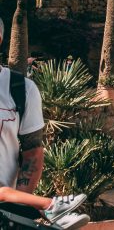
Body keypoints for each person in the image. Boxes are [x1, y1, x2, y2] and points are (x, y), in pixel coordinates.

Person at [0, 20, 90, 229]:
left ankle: (54, 210)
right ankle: (52, 207)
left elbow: (32, 151)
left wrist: (17, 208)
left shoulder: (20, 89)